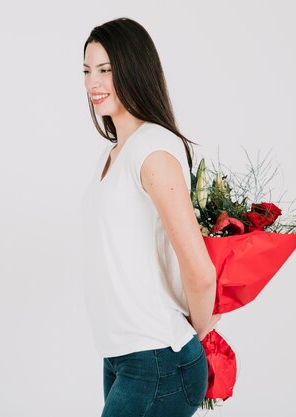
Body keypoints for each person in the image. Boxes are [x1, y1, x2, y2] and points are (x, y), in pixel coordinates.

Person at [81, 18, 221, 417]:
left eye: (106, 70)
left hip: (158, 357)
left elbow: (200, 269)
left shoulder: (153, 149)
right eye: (87, 70)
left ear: (134, 68)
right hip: (122, 357)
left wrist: (193, 333)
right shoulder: (114, 153)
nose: (94, 82)